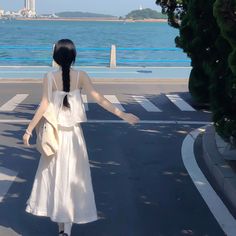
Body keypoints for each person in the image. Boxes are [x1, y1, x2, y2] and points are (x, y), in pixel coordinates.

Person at [22, 39, 140, 236]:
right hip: (74, 138)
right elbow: (99, 98)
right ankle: (66, 228)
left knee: (56, 178)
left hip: (54, 137)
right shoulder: (81, 77)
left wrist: (29, 130)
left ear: (56, 58)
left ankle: (62, 227)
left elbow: (43, 105)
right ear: (74, 56)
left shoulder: (49, 77)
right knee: (73, 179)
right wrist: (123, 114)